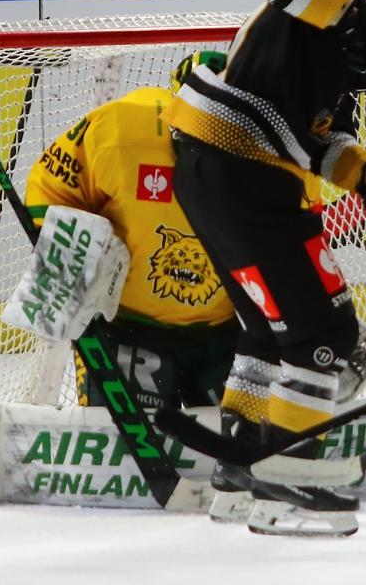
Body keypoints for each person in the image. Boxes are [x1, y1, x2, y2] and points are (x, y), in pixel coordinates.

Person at [169, 0, 366, 537]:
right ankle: (289, 482)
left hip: (211, 167)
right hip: (245, 171)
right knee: (325, 334)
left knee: (270, 331)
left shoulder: (328, 17)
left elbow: (323, 137)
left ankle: (240, 472)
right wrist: (356, 16)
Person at [24, 51, 237, 415]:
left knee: (257, 441)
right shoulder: (122, 127)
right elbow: (51, 186)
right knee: (117, 443)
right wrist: (74, 260)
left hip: (229, 331)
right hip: (124, 329)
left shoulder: (274, 149)